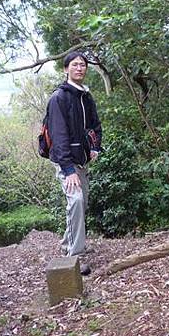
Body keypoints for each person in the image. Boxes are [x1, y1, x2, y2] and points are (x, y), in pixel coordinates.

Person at [46, 51, 102, 276]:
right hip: (66, 163)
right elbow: (58, 136)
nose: (80, 68)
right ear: (66, 69)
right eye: (75, 65)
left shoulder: (85, 97)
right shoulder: (59, 98)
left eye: (83, 65)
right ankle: (74, 257)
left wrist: (95, 148)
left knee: (82, 201)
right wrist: (68, 169)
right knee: (76, 200)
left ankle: (68, 243)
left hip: (82, 161)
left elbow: (96, 126)